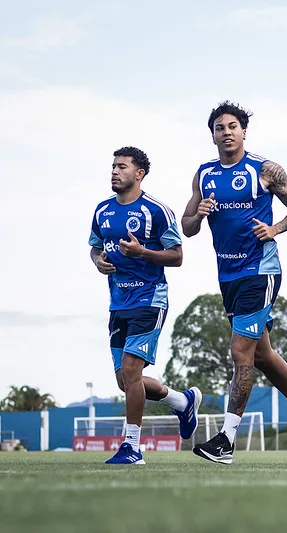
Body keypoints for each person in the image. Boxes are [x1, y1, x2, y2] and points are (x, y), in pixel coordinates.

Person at [182, 101, 287, 464]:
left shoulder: (265, 169)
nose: (227, 132)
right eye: (220, 127)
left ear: (244, 132)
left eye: (233, 126)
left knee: (240, 352)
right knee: (261, 353)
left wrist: (275, 228)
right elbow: (186, 226)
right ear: (212, 134)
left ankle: (226, 440)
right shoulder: (204, 174)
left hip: (260, 271)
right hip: (227, 275)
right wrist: (197, 216)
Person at [89, 146, 201, 465]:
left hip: (150, 299)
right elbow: (95, 248)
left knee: (131, 370)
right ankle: (182, 401)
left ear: (138, 174)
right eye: (112, 166)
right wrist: (98, 261)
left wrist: (143, 254)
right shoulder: (102, 211)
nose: (114, 171)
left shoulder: (156, 211)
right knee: (126, 381)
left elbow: (177, 256)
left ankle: (133, 447)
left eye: (121, 167)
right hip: (118, 304)